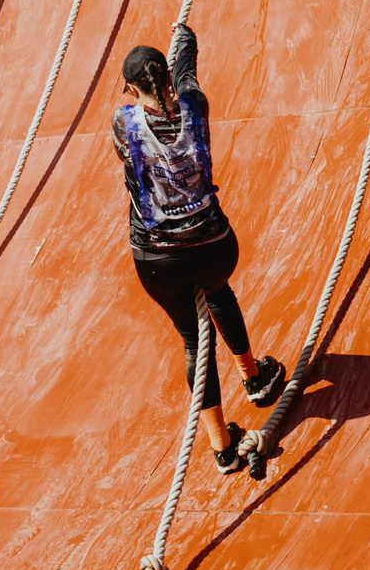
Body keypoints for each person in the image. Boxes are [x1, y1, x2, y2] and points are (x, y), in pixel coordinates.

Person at [112, 23, 288, 476]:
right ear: (168, 80)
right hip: (213, 247)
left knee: (192, 338)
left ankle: (222, 448)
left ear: (131, 89)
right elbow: (187, 69)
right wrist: (185, 35)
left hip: (158, 260)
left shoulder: (123, 121)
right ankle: (255, 376)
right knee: (219, 292)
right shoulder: (195, 105)